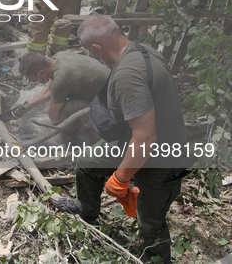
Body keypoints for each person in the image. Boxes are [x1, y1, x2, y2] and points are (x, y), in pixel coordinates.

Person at [54, 15, 191, 263]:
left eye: (90, 52)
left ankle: (158, 258)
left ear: (96, 48)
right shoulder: (141, 49)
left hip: (162, 159)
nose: (93, 56)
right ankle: (87, 211)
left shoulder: (128, 75)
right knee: (88, 162)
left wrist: (120, 178)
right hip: (138, 143)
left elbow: (145, 137)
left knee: (150, 223)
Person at [15, 51, 110, 125]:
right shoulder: (58, 57)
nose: (34, 82)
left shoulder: (61, 79)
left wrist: (56, 124)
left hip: (110, 104)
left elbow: (53, 115)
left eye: (33, 79)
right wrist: (27, 106)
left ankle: (71, 139)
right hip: (110, 83)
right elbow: (49, 90)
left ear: (41, 73)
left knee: (64, 110)